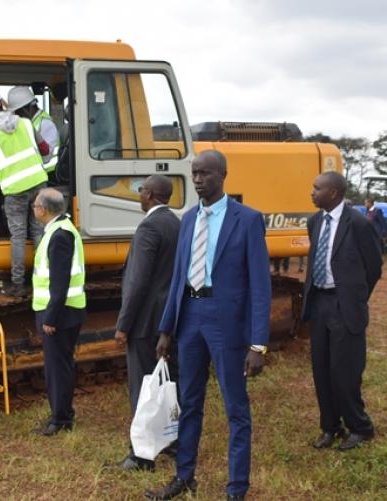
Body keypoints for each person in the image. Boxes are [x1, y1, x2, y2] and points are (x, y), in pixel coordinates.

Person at [147, 151, 271, 501]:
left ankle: (236, 489)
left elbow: (260, 285)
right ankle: (184, 477)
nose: (198, 179)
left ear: (223, 175)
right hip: (190, 318)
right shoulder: (187, 219)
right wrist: (166, 329)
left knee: (236, 408)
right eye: (194, 173)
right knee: (189, 402)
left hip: (226, 322)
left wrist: (257, 344)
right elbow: (177, 278)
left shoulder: (246, 220)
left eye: (205, 173)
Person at [303, 171, 382, 452]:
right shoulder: (314, 222)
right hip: (319, 303)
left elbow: (374, 267)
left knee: (345, 372)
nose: (312, 192)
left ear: (333, 193)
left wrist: (355, 298)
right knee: (321, 370)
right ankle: (330, 426)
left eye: (317, 188)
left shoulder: (358, 223)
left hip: (345, 305)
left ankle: (361, 428)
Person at [111, 175, 180, 472]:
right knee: (169, 384)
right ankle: (172, 443)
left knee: (142, 388)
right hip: (170, 320)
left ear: (149, 194)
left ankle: (141, 456)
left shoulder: (149, 227)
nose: (139, 195)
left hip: (144, 322)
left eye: (141, 191)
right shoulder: (177, 223)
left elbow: (137, 282)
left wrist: (123, 324)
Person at [0, 86, 51, 296]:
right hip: (38, 185)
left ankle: (18, 284)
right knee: (38, 232)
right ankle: (43, 278)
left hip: (14, 191)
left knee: (18, 236)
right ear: (2, 104)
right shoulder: (26, 124)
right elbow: (45, 149)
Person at [30, 188, 86, 436]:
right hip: (66, 310)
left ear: (43, 209)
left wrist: (51, 317)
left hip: (59, 314)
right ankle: (63, 414)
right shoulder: (61, 229)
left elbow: (59, 281)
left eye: (34, 206)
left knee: (57, 367)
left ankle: (60, 419)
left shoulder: (59, 234)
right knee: (61, 365)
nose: (33, 209)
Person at [7, 86, 61, 173]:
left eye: (18, 112)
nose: (17, 116)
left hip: (50, 175)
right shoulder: (31, 123)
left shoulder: (45, 124)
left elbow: (47, 156)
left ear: (27, 109)